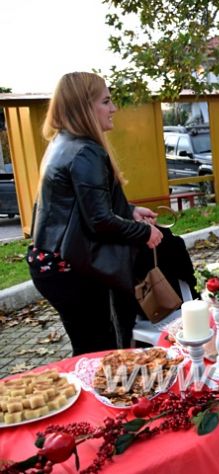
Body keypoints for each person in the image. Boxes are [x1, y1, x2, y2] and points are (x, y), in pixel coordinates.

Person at [28, 72, 163, 355]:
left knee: (87, 345)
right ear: (84, 107)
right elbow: (99, 221)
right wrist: (145, 232)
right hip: (70, 269)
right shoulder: (86, 151)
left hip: (51, 264)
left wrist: (130, 210)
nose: (113, 108)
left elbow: (80, 204)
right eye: (106, 101)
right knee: (98, 351)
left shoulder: (60, 142)